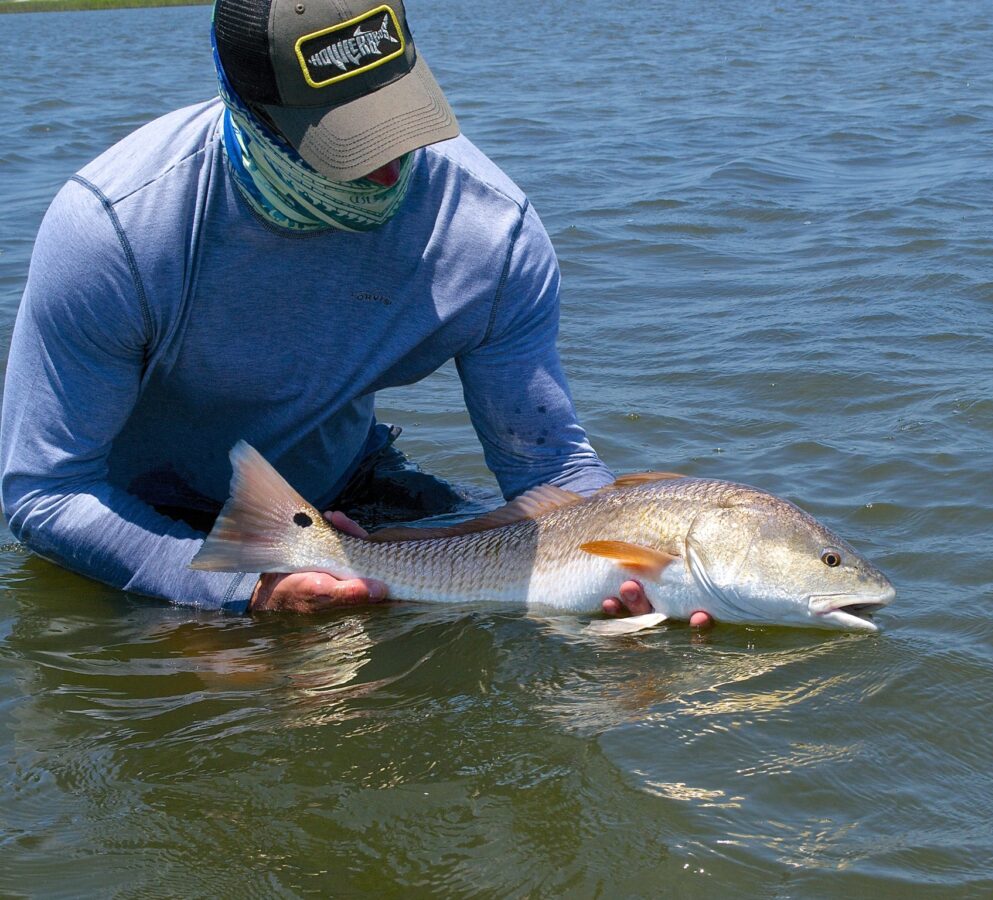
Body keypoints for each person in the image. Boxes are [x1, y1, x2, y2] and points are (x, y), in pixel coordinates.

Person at [0, 0, 712, 625]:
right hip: (134, 517)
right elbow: (45, 493)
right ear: (248, 112)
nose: (390, 167)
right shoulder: (116, 231)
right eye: (345, 143)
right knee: (226, 692)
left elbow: (552, 471)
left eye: (398, 121)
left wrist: (637, 571)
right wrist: (244, 591)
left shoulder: (492, 233)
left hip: (346, 493)